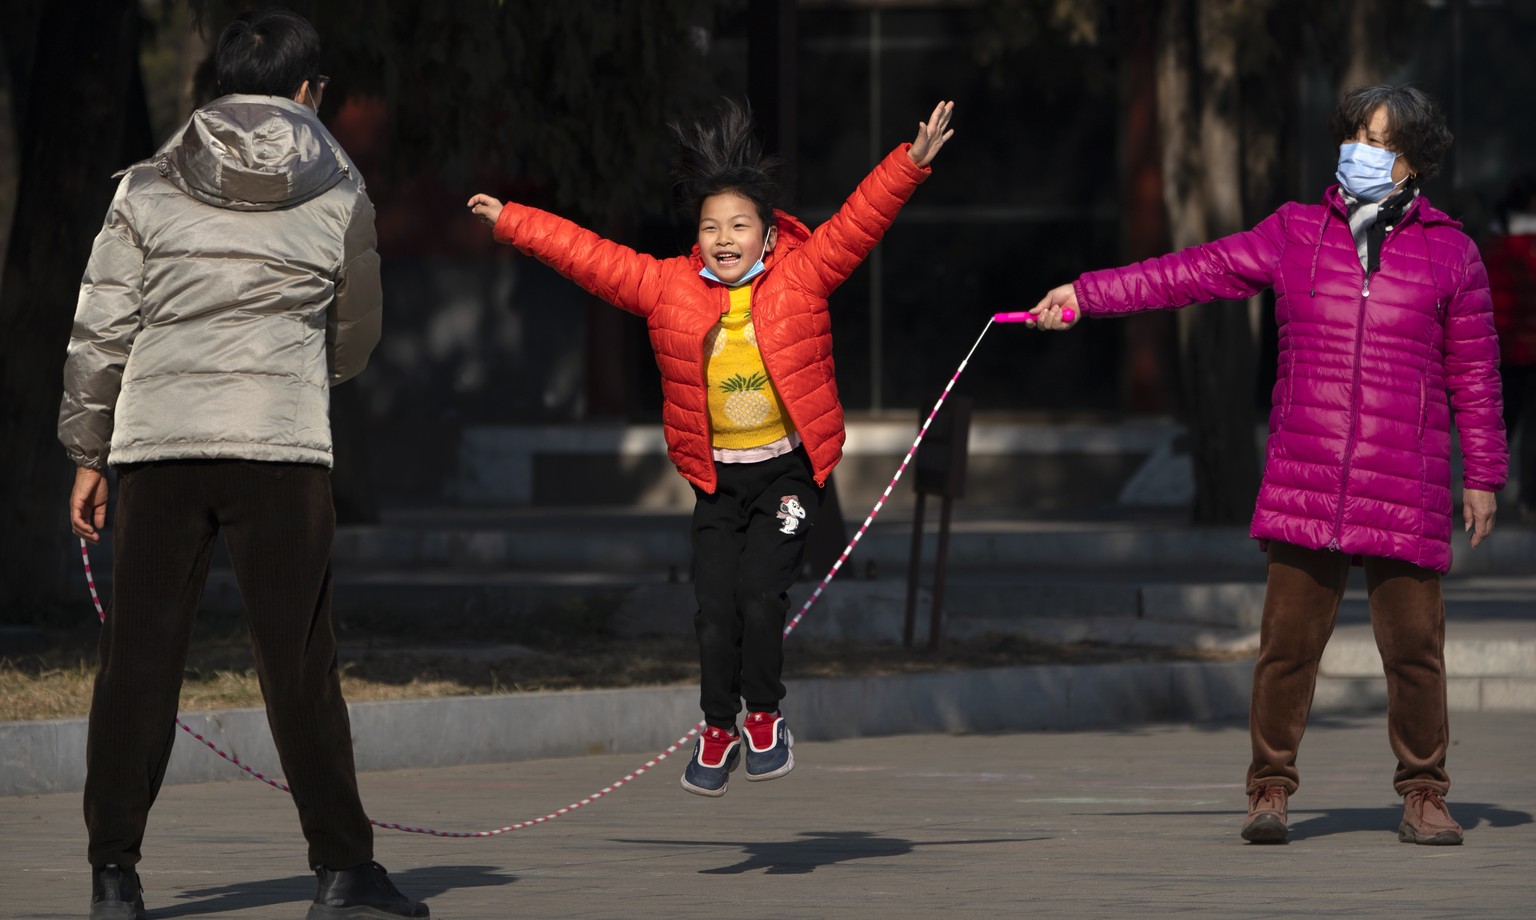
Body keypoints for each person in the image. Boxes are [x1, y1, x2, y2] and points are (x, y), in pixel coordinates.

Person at [1030, 84, 1505, 846]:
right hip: (1307, 474)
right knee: (1286, 651)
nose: (1360, 152)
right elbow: (1188, 271)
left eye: (1379, 142)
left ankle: (1424, 793)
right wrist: (1087, 295)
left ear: (1414, 159)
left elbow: (1476, 375)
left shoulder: (1453, 253)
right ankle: (1269, 791)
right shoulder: (1293, 233)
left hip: (1404, 480)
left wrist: (1483, 476)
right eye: (1353, 136)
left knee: (1415, 653)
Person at [469, 99, 954, 797]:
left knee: (760, 595)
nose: (724, 238)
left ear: (766, 233)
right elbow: (592, 258)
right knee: (713, 607)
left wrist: (909, 163)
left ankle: (764, 716)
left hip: (788, 475)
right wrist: (514, 221)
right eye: (710, 227)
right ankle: (717, 727)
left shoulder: (803, 274)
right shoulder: (667, 286)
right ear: (696, 236)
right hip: (718, 483)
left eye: (739, 226)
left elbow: (858, 222)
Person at [58, 9, 427, 919]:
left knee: (138, 658)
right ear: (311, 90)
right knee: (299, 660)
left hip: (157, 447)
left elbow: (102, 328)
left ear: (217, 89)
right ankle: (342, 871)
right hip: (280, 448)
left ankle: (114, 875)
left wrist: (87, 450)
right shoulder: (342, 189)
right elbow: (357, 333)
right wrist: (302, 374)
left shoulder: (144, 185)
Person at [1483, 175, 1536, 518]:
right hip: (1528, 351)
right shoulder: (1528, 246)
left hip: (1503, 352)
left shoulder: (1492, 245)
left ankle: (1487, 490)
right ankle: (1529, 500)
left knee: (1502, 426)